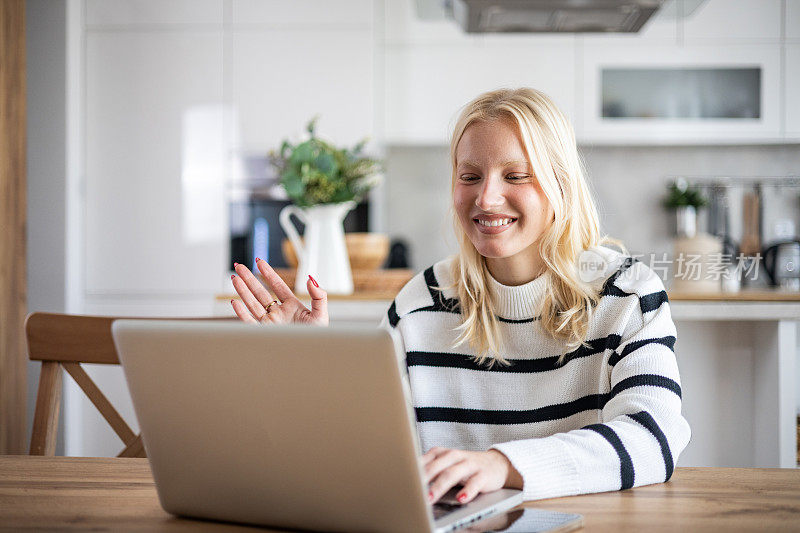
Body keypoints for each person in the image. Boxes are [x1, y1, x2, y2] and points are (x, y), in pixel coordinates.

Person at [230, 87, 691, 506]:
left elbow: (653, 438)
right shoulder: (418, 306)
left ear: (561, 188)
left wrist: (500, 466)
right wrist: (313, 369)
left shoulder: (628, 296)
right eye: (470, 176)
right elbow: (364, 457)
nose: (487, 198)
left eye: (516, 176)